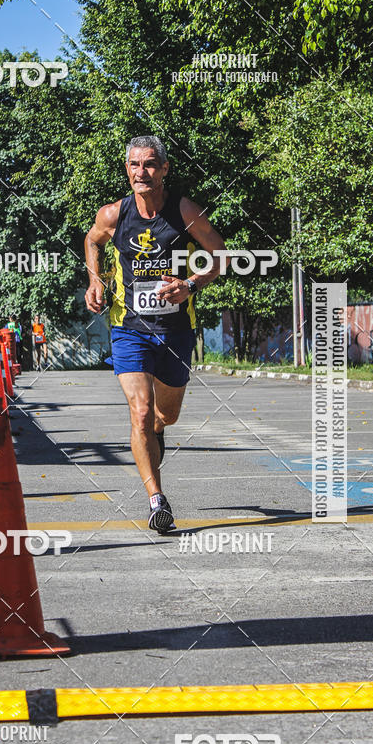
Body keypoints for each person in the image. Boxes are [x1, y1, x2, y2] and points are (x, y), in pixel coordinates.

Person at [84, 135, 227, 533]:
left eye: (149, 164)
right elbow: (91, 240)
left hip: (176, 329)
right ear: (126, 169)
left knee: (167, 415)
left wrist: (191, 284)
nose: (140, 172)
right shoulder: (113, 215)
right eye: (133, 165)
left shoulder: (184, 211)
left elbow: (219, 256)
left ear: (164, 169)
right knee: (141, 412)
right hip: (129, 328)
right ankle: (156, 500)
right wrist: (95, 281)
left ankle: (158, 433)